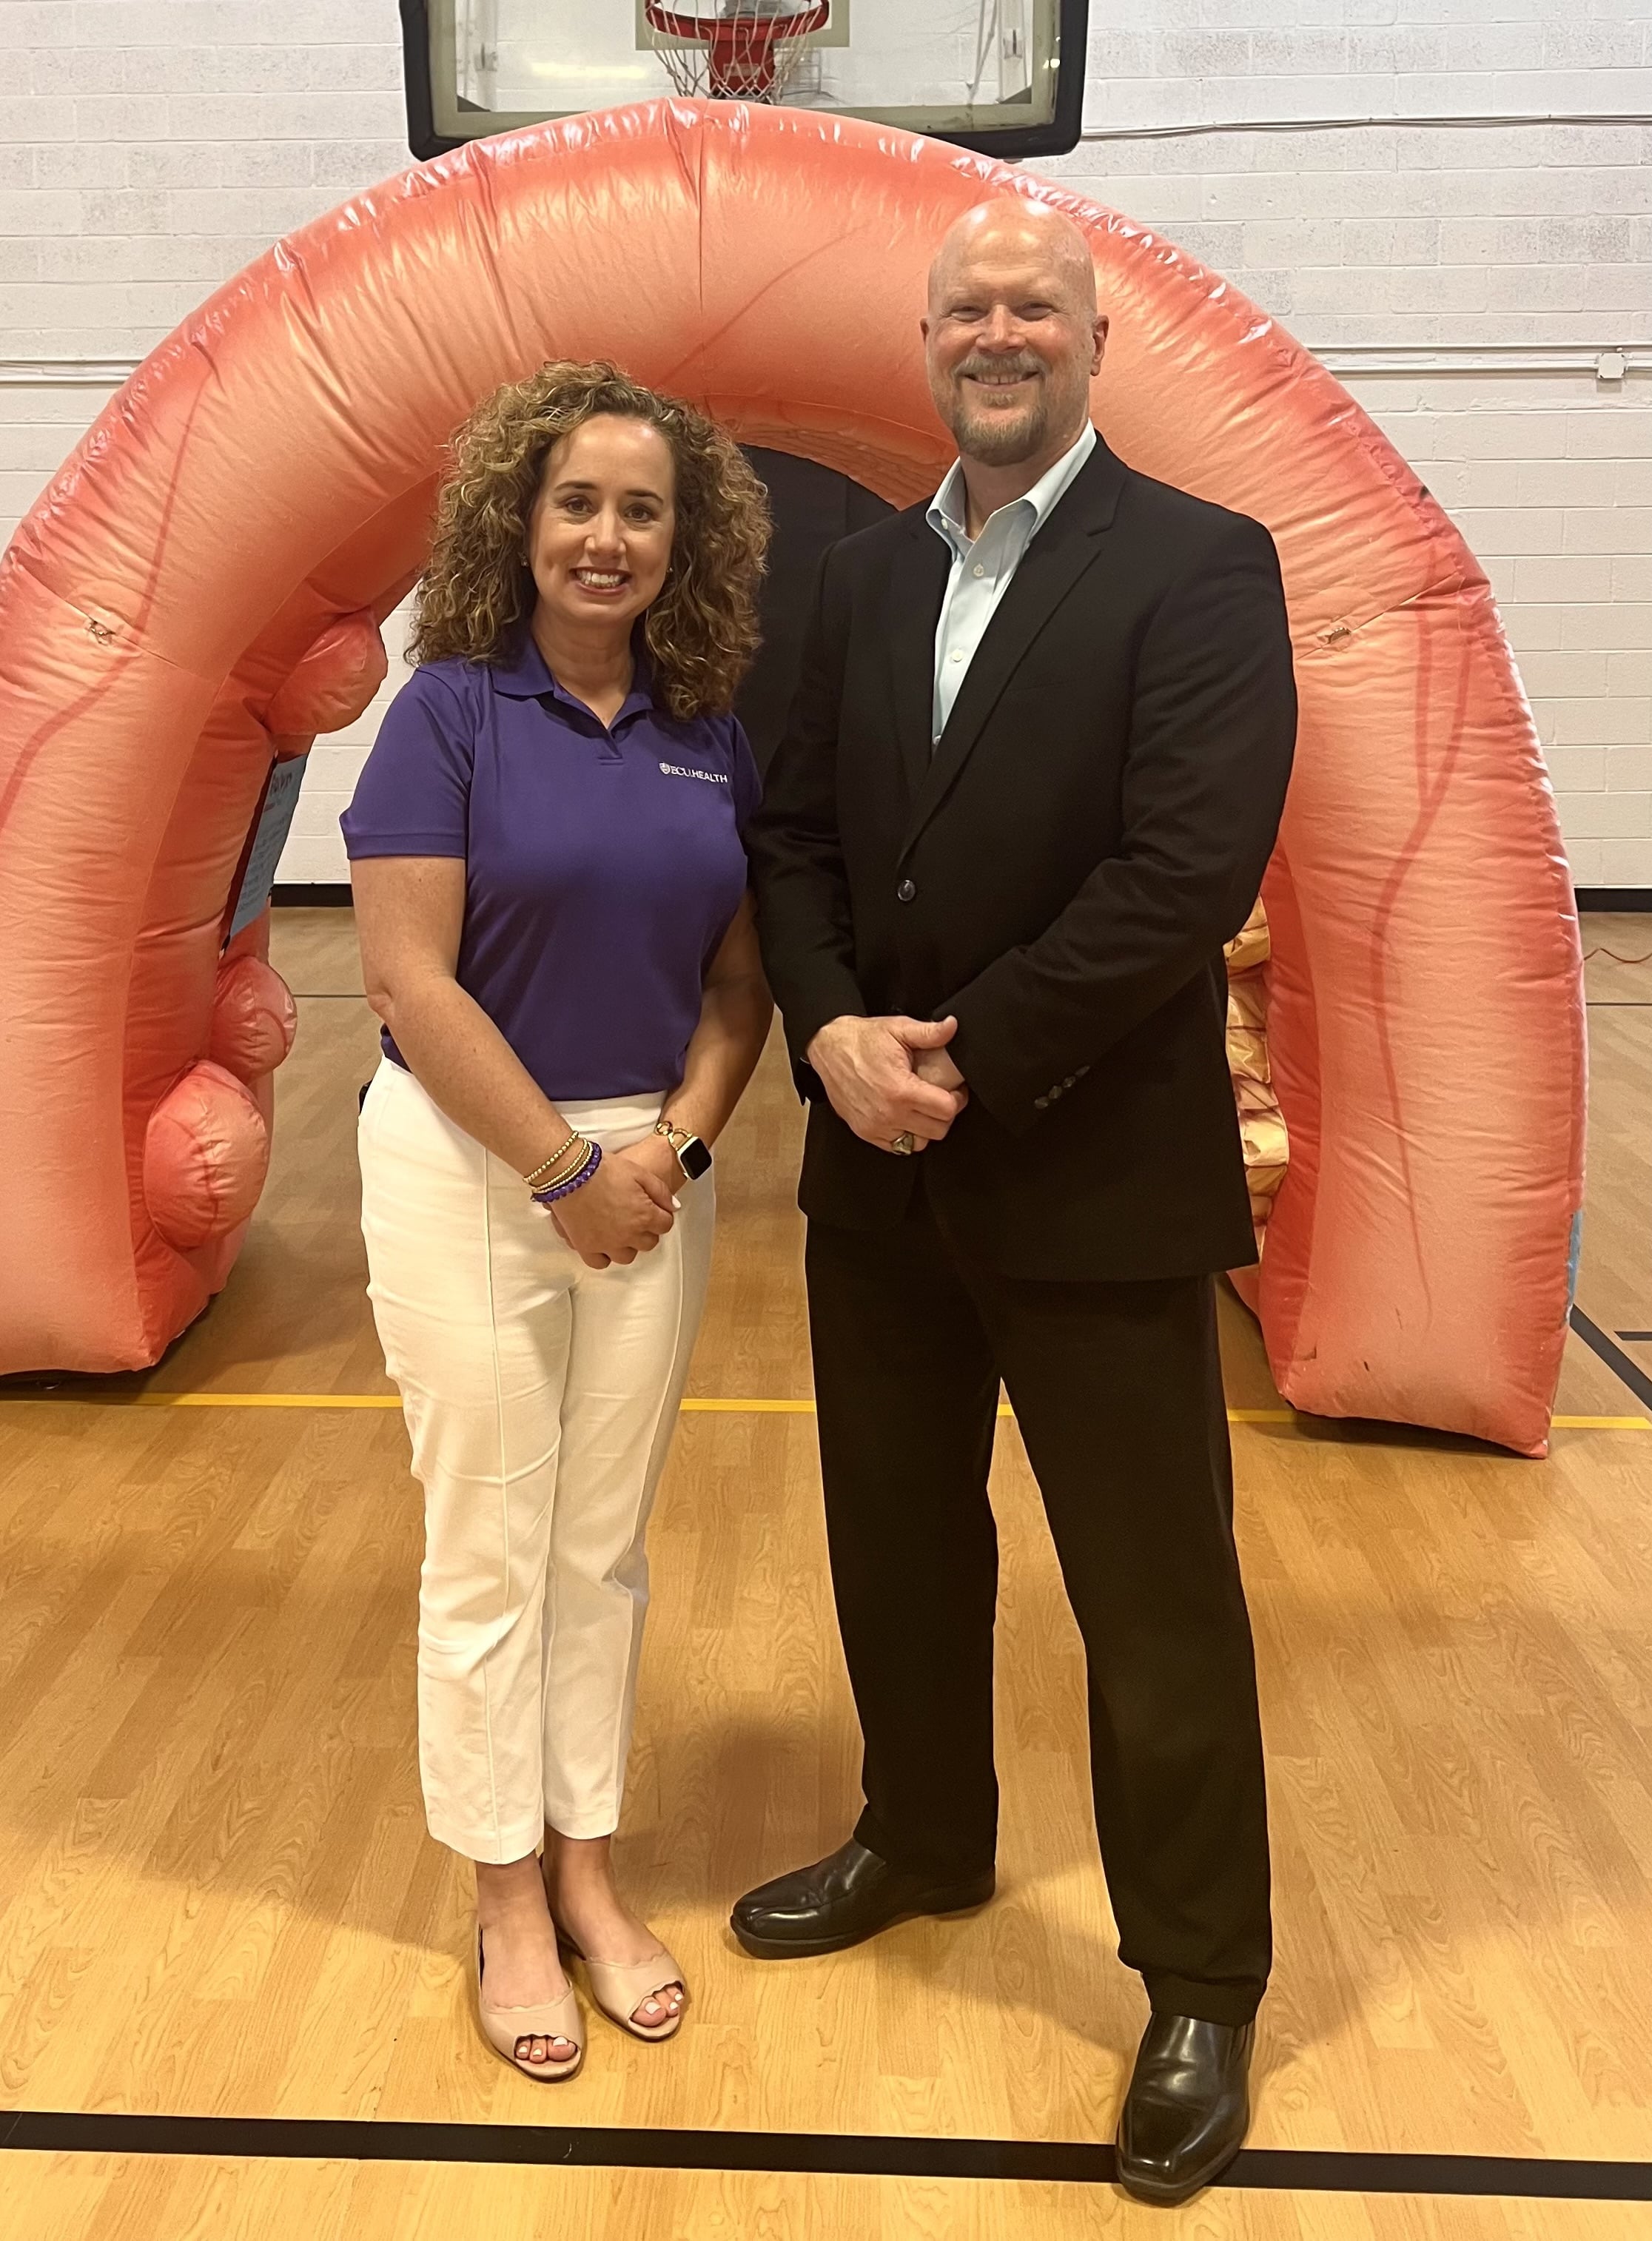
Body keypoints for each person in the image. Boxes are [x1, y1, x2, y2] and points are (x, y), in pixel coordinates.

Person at [739, 201, 1297, 2205]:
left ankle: (1201, 1981)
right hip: (873, 1174)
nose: (1001, 332)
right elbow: (788, 832)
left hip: (1086, 1166)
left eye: (1034, 308)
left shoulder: (1205, 566)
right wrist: (826, 1035)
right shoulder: (861, 576)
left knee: (1154, 1601)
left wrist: (955, 1050)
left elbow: (1185, 868)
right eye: (969, 306)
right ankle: (926, 1832)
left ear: (1092, 337)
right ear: (927, 340)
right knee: (896, 1541)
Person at [343, 361, 773, 2083]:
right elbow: (405, 980)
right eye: (577, 502)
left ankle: (588, 1867)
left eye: (642, 508)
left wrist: (666, 1143)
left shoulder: (709, 733)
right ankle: (504, 1894)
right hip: (476, 1167)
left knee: (601, 1546)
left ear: (688, 543)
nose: (606, 535)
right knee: (490, 1548)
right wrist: (562, 1172)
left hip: (652, 1176)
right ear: (519, 523)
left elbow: (738, 983)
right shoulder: (446, 711)